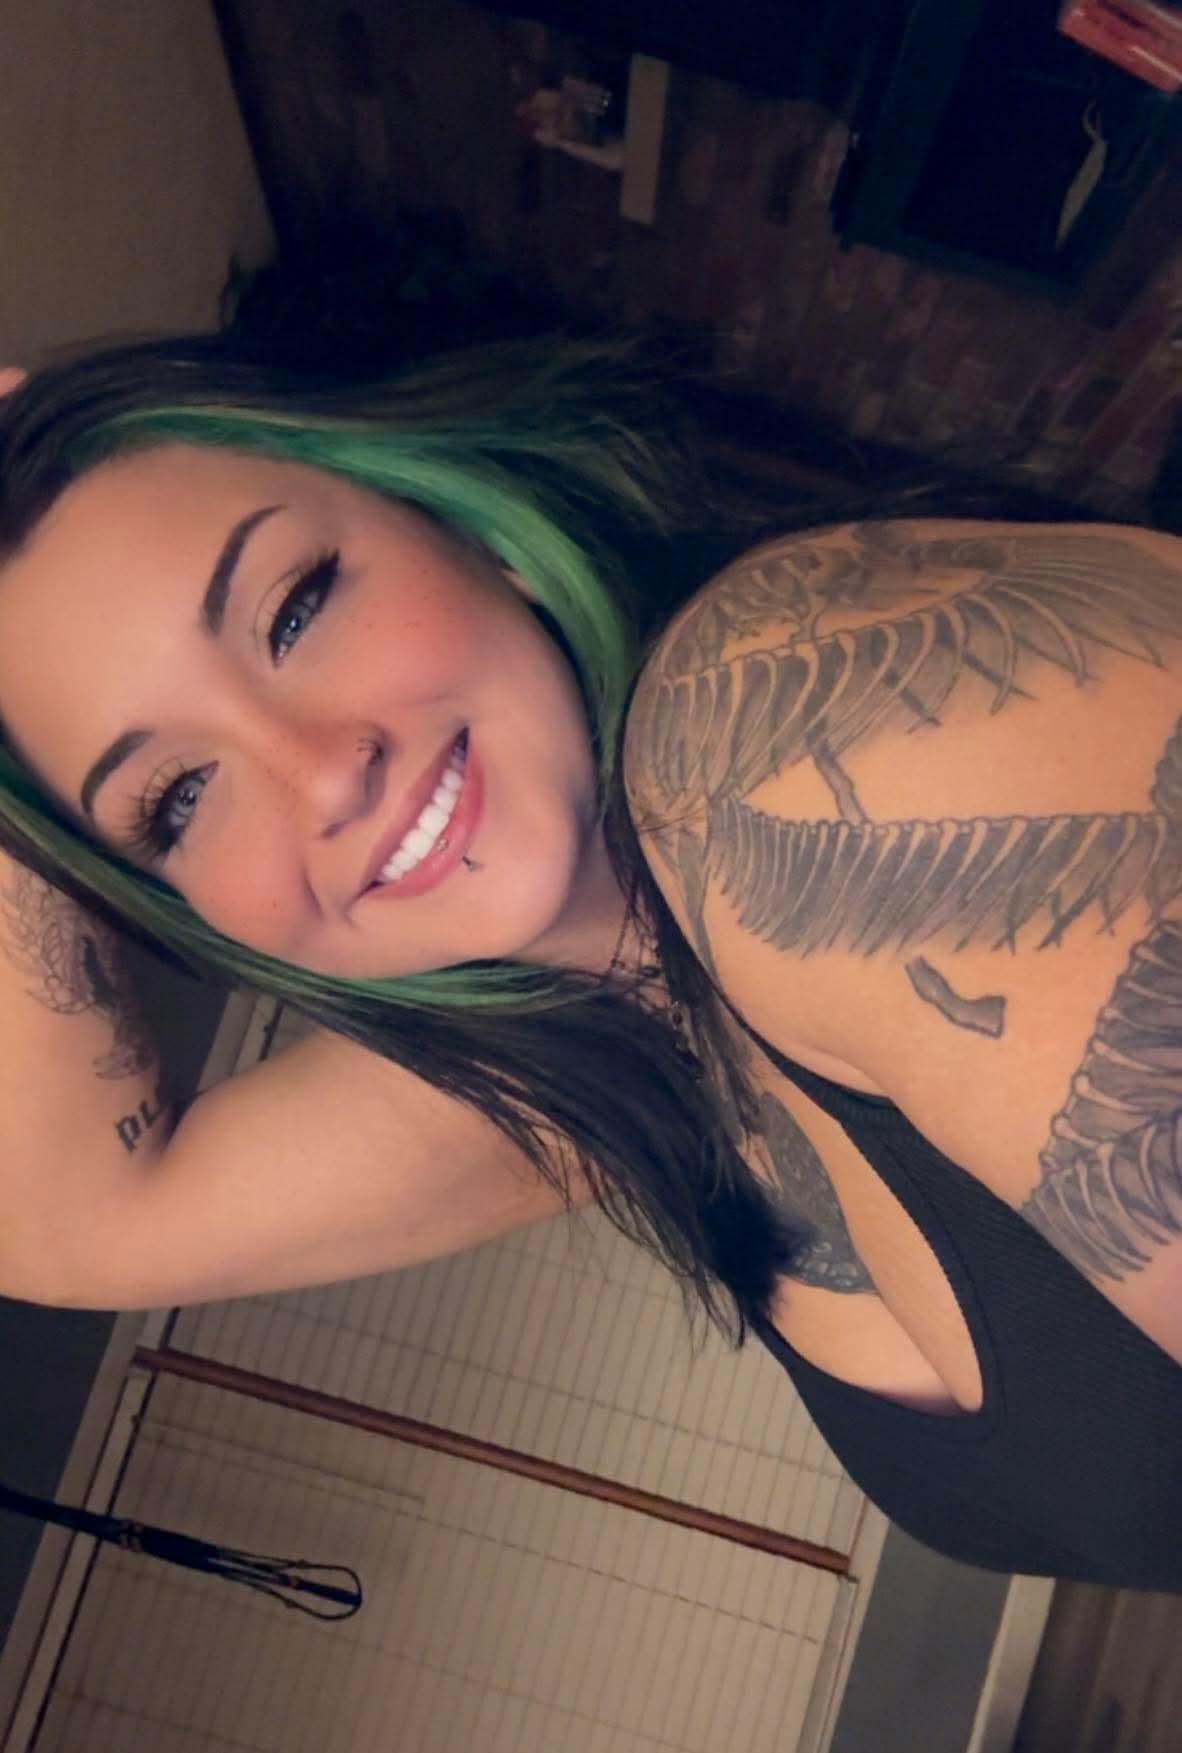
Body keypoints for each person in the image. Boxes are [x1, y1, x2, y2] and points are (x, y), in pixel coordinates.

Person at [0, 334, 1179, 1591]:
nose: (324, 773)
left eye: (296, 608)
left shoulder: (783, 746)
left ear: (462, 522)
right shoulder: (590, 1047)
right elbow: (69, 1224)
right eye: (179, 797)